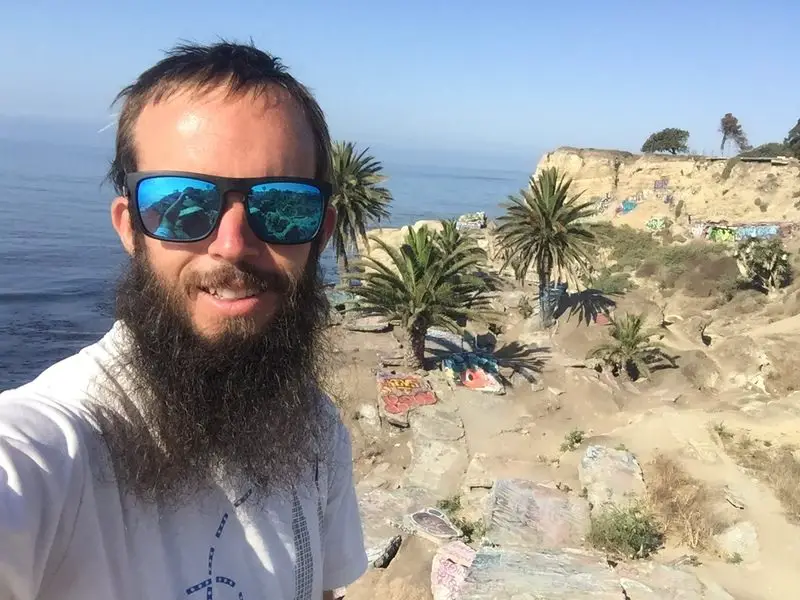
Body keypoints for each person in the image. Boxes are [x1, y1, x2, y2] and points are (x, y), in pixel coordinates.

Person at [0, 41, 367, 600]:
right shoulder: (51, 448)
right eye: (180, 203)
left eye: (281, 206)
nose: (232, 244)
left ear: (321, 231)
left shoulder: (314, 427)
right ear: (130, 228)